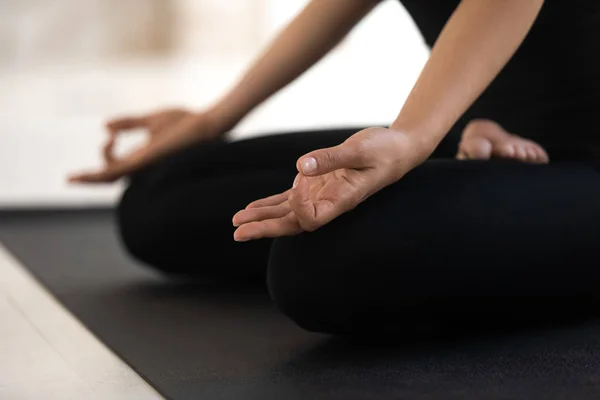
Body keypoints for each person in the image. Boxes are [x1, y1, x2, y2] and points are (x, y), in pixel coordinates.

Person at [70, 0, 600, 335]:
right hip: (475, 141)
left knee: (315, 263)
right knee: (161, 196)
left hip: (584, 166)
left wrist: (414, 137)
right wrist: (212, 119)